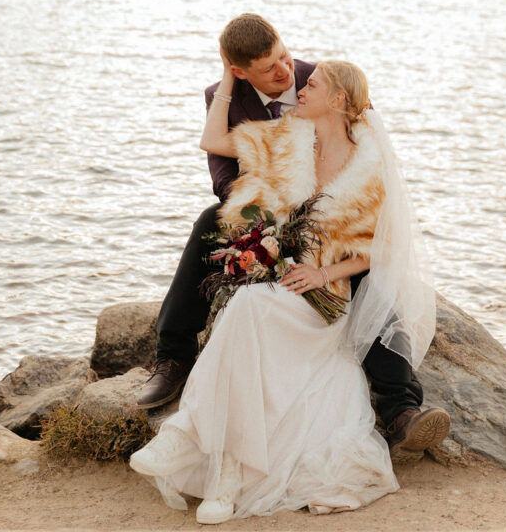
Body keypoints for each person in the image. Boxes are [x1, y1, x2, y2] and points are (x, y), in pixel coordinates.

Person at [130, 56, 437, 523]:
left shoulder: (369, 163)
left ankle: (209, 456)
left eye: (310, 85)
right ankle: (216, 465)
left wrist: (323, 275)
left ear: (337, 100)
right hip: (280, 281)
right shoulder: (288, 138)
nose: (299, 89)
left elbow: (382, 248)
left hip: (324, 296)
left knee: (252, 308)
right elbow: (212, 141)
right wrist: (228, 83)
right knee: (248, 306)